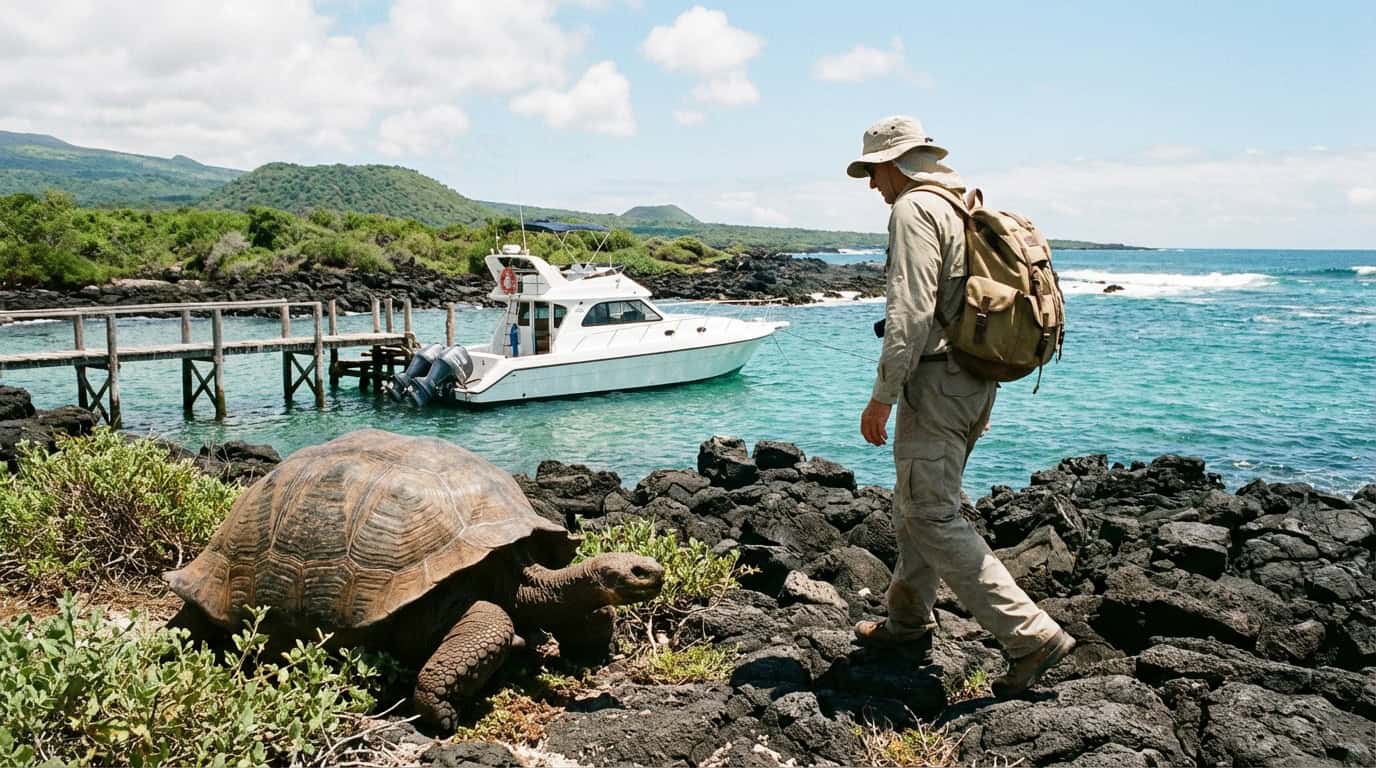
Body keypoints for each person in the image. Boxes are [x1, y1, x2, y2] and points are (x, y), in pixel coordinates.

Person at [847, 115, 1075, 697]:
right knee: (916, 505)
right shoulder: (962, 203)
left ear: (895, 165)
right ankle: (907, 624)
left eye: (875, 172)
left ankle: (1029, 637)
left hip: (937, 381)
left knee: (930, 514)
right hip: (974, 379)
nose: (874, 186)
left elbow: (910, 313)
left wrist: (882, 396)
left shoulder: (915, 209)